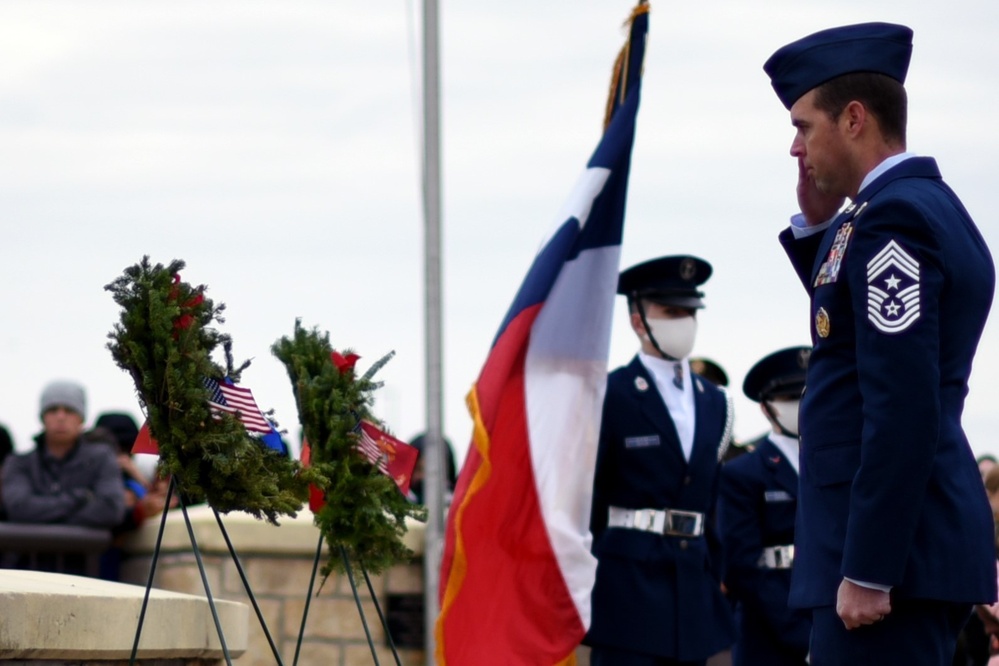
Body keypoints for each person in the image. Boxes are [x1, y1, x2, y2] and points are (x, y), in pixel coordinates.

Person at [763, 22, 996, 664]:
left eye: (804, 125)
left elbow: (901, 406)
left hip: (891, 564)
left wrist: (870, 566)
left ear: (854, 119)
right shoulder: (904, 209)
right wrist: (815, 226)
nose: (794, 146)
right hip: (906, 553)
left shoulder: (893, 220)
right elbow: (850, 326)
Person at [586, 255, 735, 665]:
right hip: (627, 588)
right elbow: (589, 496)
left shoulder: (714, 400)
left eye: (689, 312)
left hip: (692, 588)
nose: (683, 321)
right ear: (638, 319)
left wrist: (714, 567)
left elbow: (712, 495)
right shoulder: (610, 393)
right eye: (670, 311)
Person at [718, 347, 812, 666]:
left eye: (805, 395)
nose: (799, 407)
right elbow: (742, 565)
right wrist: (799, 632)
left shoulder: (841, 466)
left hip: (833, 617)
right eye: (788, 399)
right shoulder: (743, 473)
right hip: (770, 629)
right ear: (766, 408)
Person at [1, 380, 125, 528]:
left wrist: (41, 519)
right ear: (43, 418)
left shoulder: (102, 458)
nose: (60, 417)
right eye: (53, 410)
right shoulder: (19, 462)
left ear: (81, 418)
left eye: (69, 410)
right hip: (27, 551)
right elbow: (18, 509)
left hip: (85, 549)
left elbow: (110, 510)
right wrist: (80, 498)